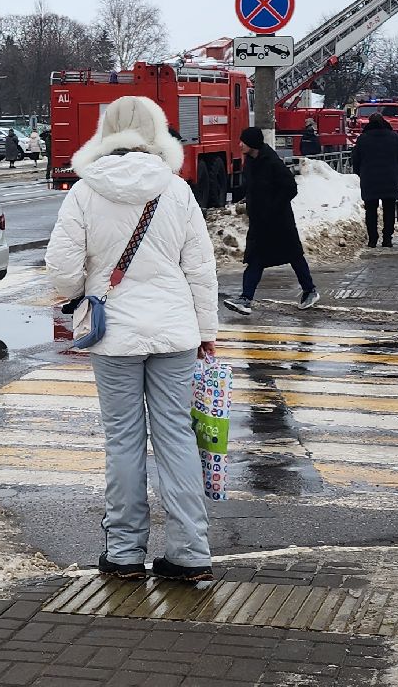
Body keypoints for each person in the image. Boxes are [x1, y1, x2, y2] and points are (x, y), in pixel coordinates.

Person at [46, 95, 218, 583]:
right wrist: (206, 332)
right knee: (178, 439)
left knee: (123, 441)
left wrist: (79, 295)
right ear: (157, 132)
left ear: (107, 131)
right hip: (174, 332)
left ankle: (123, 553)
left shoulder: (84, 191)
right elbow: (201, 269)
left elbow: (61, 266)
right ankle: (189, 553)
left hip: (113, 334)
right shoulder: (176, 190)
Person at [223, 127, 317, 314]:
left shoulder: (272, 162)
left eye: (243, 141)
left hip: (279, 221)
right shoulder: (250, 161)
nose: (240, 144)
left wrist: (273, 208)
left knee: (294, 256)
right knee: (255, 259)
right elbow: (250, 187)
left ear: (252, 143)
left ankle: (310, 291)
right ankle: (245, 299)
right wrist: (233, 195)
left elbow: (290, 188)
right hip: (260, 222)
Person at [350, 117, 398, 248]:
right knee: (389, 210)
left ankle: (372, 239)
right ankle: (387, 239)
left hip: (369, 179)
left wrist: (361, 174)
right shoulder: (394, 138)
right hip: (391, 178)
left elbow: (355, 160)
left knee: (370, 210)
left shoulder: (363, 139)